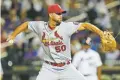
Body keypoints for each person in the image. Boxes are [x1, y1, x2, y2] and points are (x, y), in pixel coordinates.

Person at [7, 4, 104, 80]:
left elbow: (86, 25)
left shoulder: (67, 27)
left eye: (61, 13)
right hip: (49, 68)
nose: (60, 16)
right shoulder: (40, 26)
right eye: (58, 13)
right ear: (50, 14)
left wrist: (101, 33)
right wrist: (13, 35)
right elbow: (26, 24)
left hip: (66, 67)